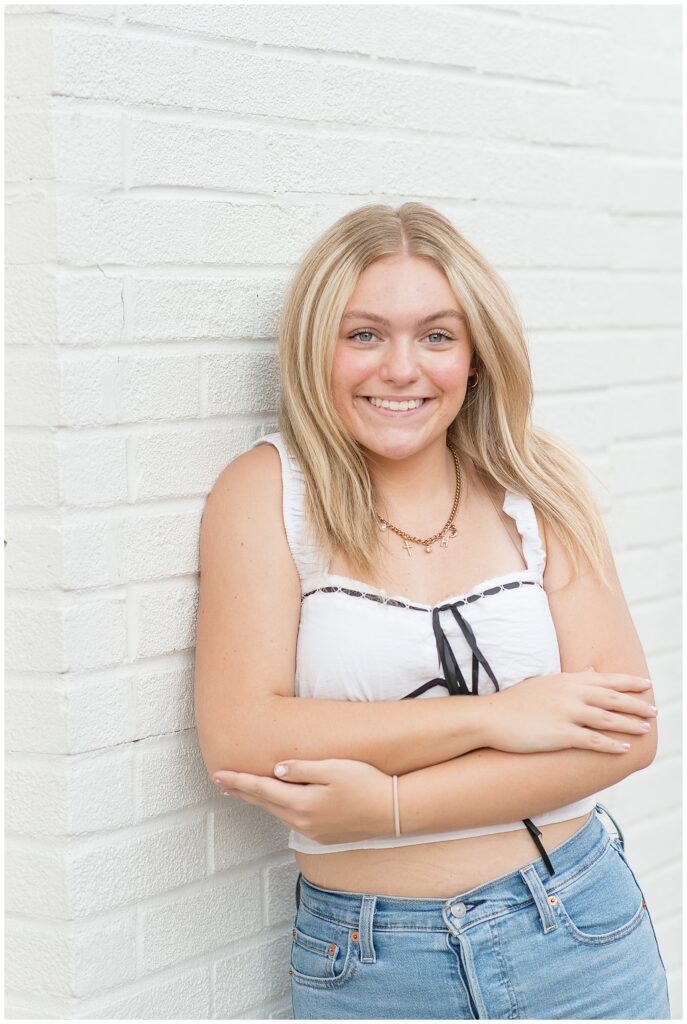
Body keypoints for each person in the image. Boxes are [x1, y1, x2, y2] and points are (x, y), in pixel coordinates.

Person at [194, 203, 671, 1019]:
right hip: (373, 964)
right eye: (364, 334)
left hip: (578, 934)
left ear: (476, 355)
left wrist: (389, 807)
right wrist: (499, 718)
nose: (402, 368)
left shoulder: (536, 486)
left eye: (437, 336)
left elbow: (624, 736)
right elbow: (244, 736)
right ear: (317, 347)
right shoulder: (269, 492)